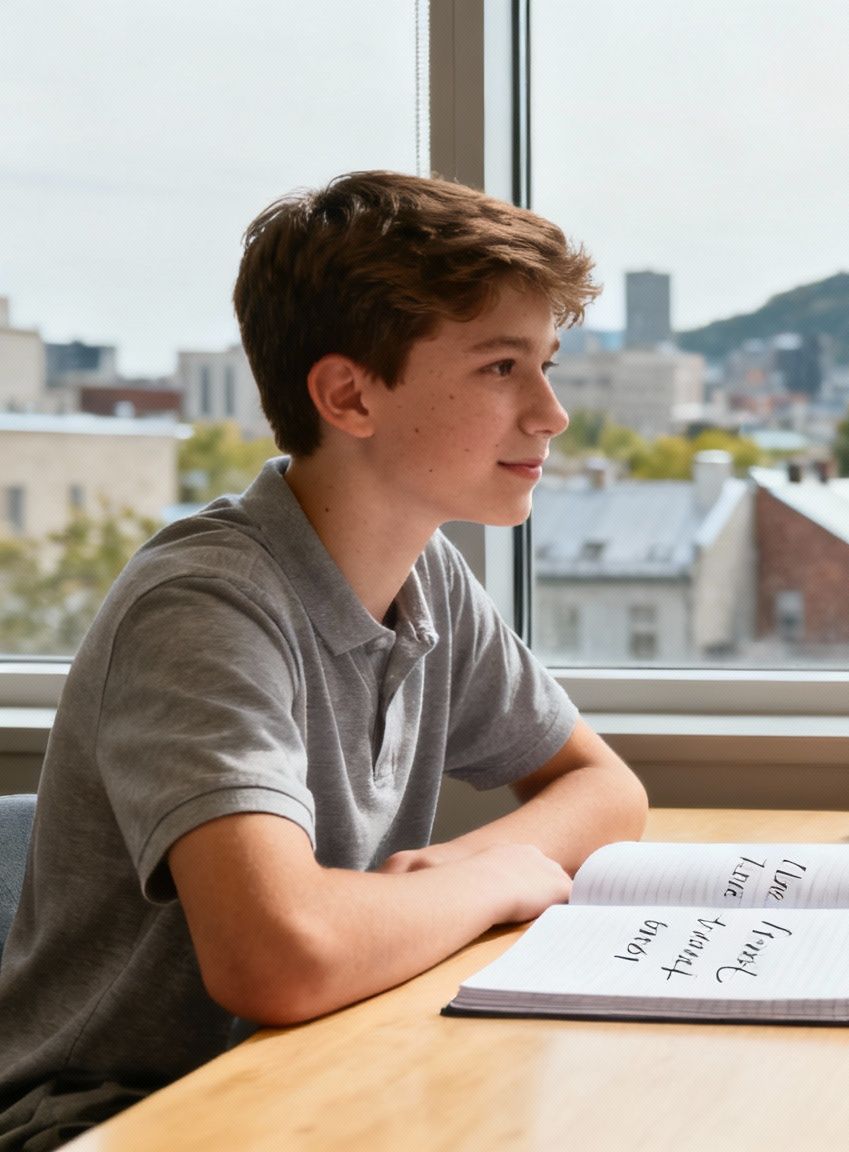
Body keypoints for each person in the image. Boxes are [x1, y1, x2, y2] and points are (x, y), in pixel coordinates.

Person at [0, 171, 649, 1149]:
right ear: (348, 394)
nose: (551, 412)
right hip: (130, 1119)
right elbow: (279, 958)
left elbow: (605, 792)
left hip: (323, 1075)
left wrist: (454, 868)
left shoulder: (425, 577)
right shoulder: (206, 607)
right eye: (501, 368)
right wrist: (493, 880)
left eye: (546, 363)